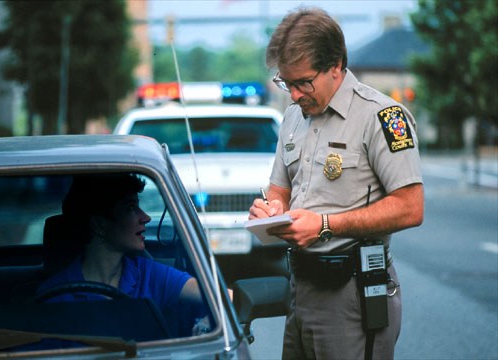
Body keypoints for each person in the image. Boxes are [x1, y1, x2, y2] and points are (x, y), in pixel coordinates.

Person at [248, 7, 424, 360]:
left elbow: (411, 206)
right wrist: (272, 208)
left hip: (352, 294)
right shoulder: (294, 117)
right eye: (286, 82)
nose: (294, 94)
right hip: (300, 289)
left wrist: (325, 226)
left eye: (302, 82)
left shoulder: (383, 117)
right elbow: (281, 187)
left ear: (336, 66)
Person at [38, 173, 210, 336]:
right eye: (130, 208)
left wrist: (212, 319)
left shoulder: (149, 274)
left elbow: (227, 298)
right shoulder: (54, 296)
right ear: (99, 225)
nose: (146, 217)